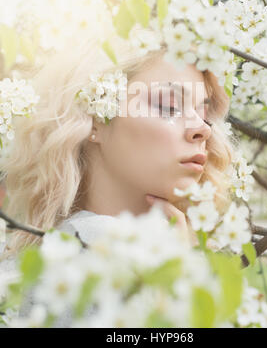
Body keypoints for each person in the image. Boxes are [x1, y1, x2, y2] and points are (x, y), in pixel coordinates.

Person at [0, 30, 236, 264]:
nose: (203, 130)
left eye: (203, 115)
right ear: (95, 118)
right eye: (169, 106)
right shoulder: (80, 266)